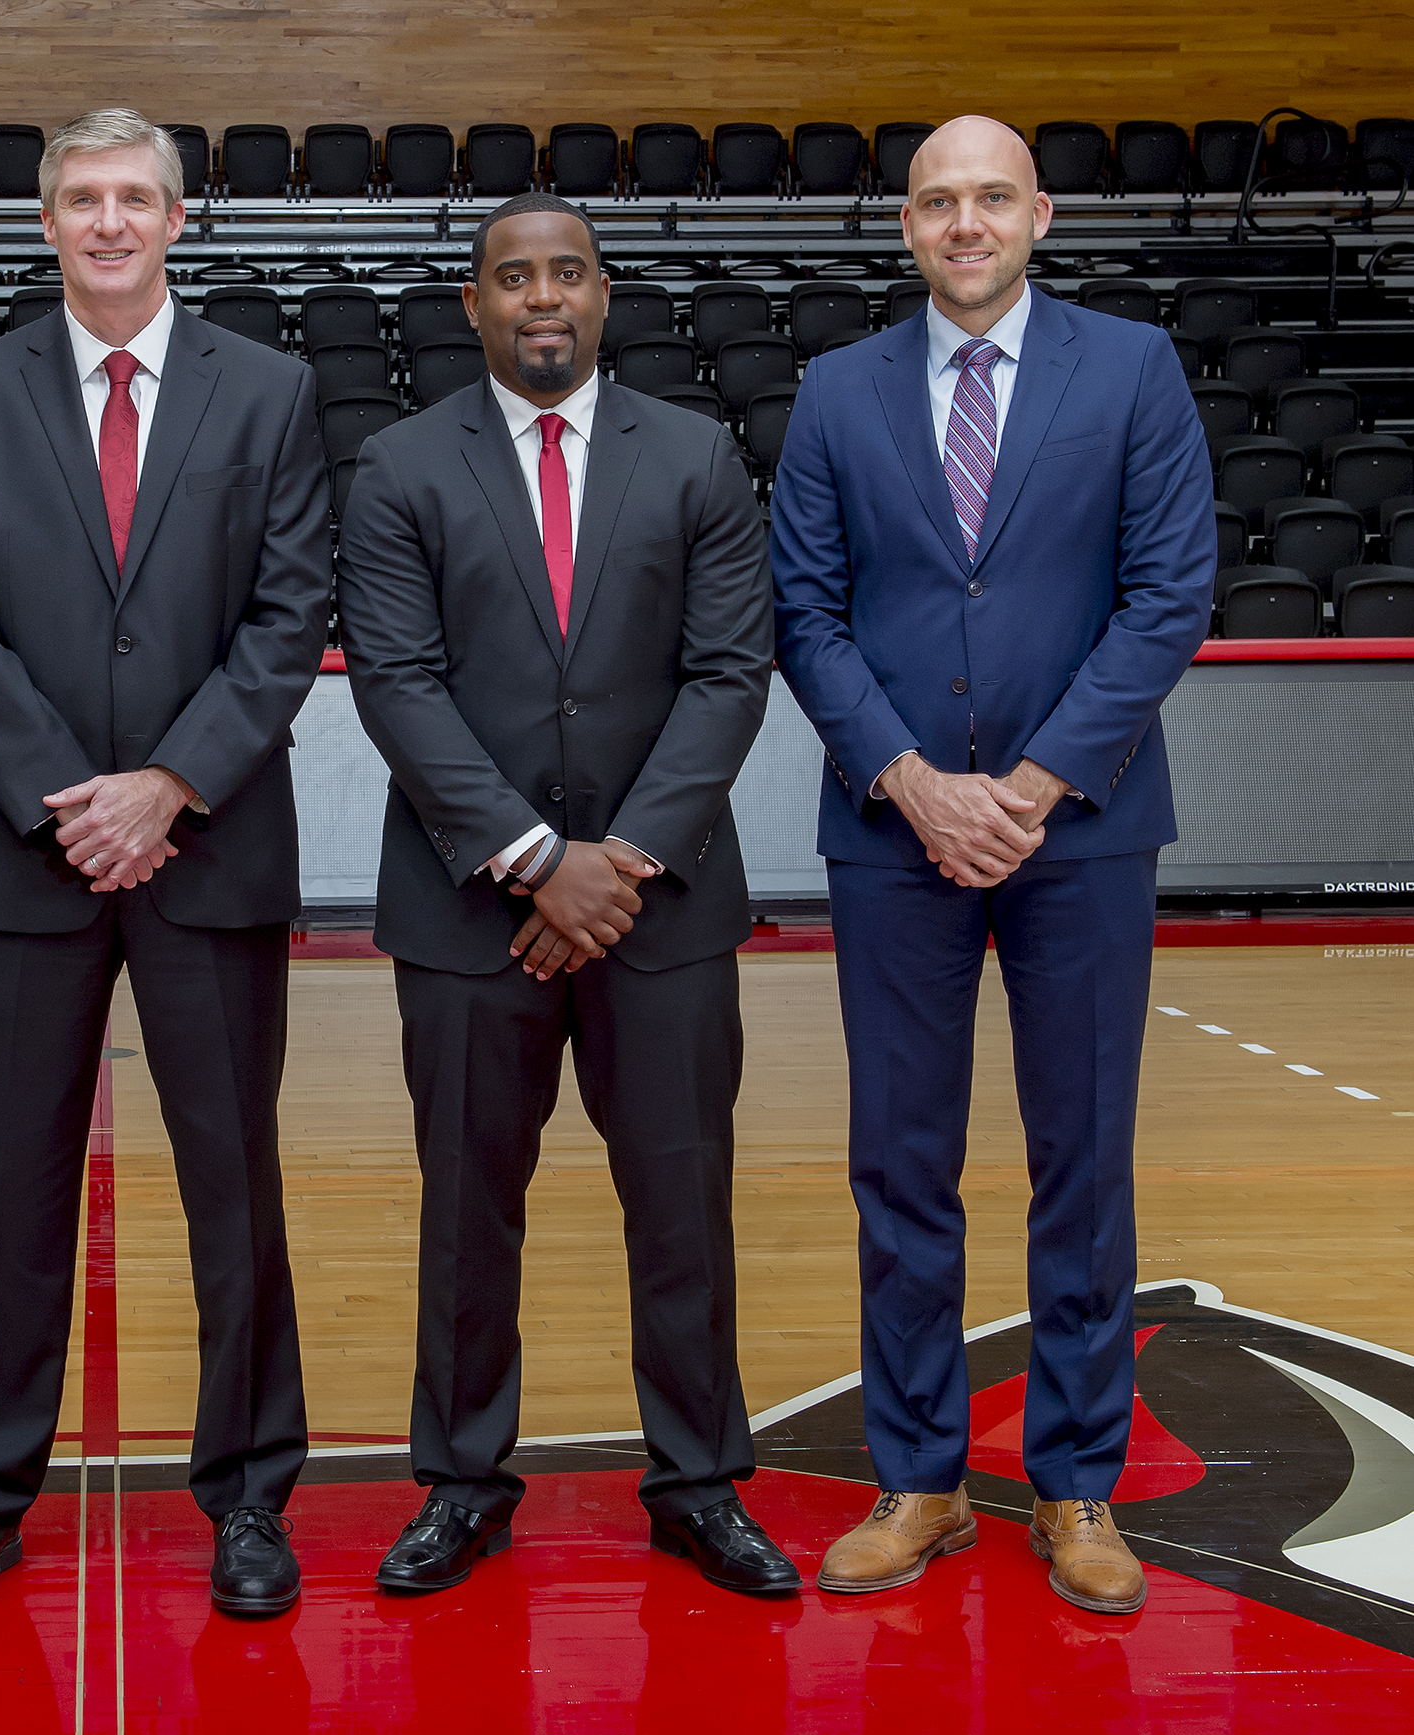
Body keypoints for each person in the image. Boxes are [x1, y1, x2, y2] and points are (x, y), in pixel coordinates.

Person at [769, 117, 1215, 1614]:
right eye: (938, 202)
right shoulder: (837, 392)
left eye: (991, 200)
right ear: (907, 226)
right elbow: (805, 614)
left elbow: (1170, 595)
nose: (966, 224)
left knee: (1080, 1163)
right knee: (902, 1165)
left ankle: (1078, 1489)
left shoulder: (1134, 369)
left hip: (1080, 830)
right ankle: (921, 1482)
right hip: (891, 837)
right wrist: (911, 784)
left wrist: (1020, 789)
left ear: (1040, 215)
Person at [0, 108, 329, 1619]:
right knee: (8, 1189)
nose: (107, 221)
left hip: (208, 851)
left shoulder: (268, 391)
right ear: (44, 221)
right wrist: (71, 800)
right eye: (80, 198)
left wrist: (169, 786)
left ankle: (251, 1497)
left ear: (179, 220)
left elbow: (286, 622)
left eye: (134, 198)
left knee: (235, 1185)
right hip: (29, 858)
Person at [337, 192, 794, 1599]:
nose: (543, 297)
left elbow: (730, 673)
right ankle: (463, 1482)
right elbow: (398, 686)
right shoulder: (400, 466)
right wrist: (542, 863)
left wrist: (622, 863)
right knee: (471, 1209)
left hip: (663, 911)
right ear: (472, 306)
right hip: (471, 911)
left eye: (568, 274)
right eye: (512, 277)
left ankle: (700, 1482)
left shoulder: (699, 457)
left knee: (681, 1206)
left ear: (605, 297)